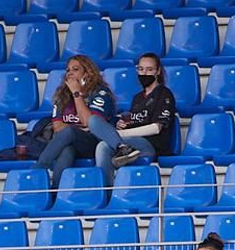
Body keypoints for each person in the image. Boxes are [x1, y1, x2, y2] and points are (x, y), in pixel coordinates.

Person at [36, 54, 118, 188]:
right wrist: (77, 129)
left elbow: (89, 122)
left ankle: (39, 168)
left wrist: (76, 93)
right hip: (71, 142)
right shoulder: (62, 95)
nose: (70, 73)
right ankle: (56, 193)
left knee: (69, 132)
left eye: (75, 69)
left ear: (87, 73)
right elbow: (57, 127)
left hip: (94, 143)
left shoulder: (100, 93)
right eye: (68, 70)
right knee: (66, 150)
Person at [90, 52, 175, 181]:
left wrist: (120, 134)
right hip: (131, 141)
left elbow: (156, 128)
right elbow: (135, 120)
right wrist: (123, 125)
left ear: (158, 71)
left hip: (152, 145)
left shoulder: (164, 94)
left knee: (104, 145)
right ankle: (105, 189)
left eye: (149, 69)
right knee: (94, 121)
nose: (144, 73)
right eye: (141, 69)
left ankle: (105, 192)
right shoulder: (137, 97)